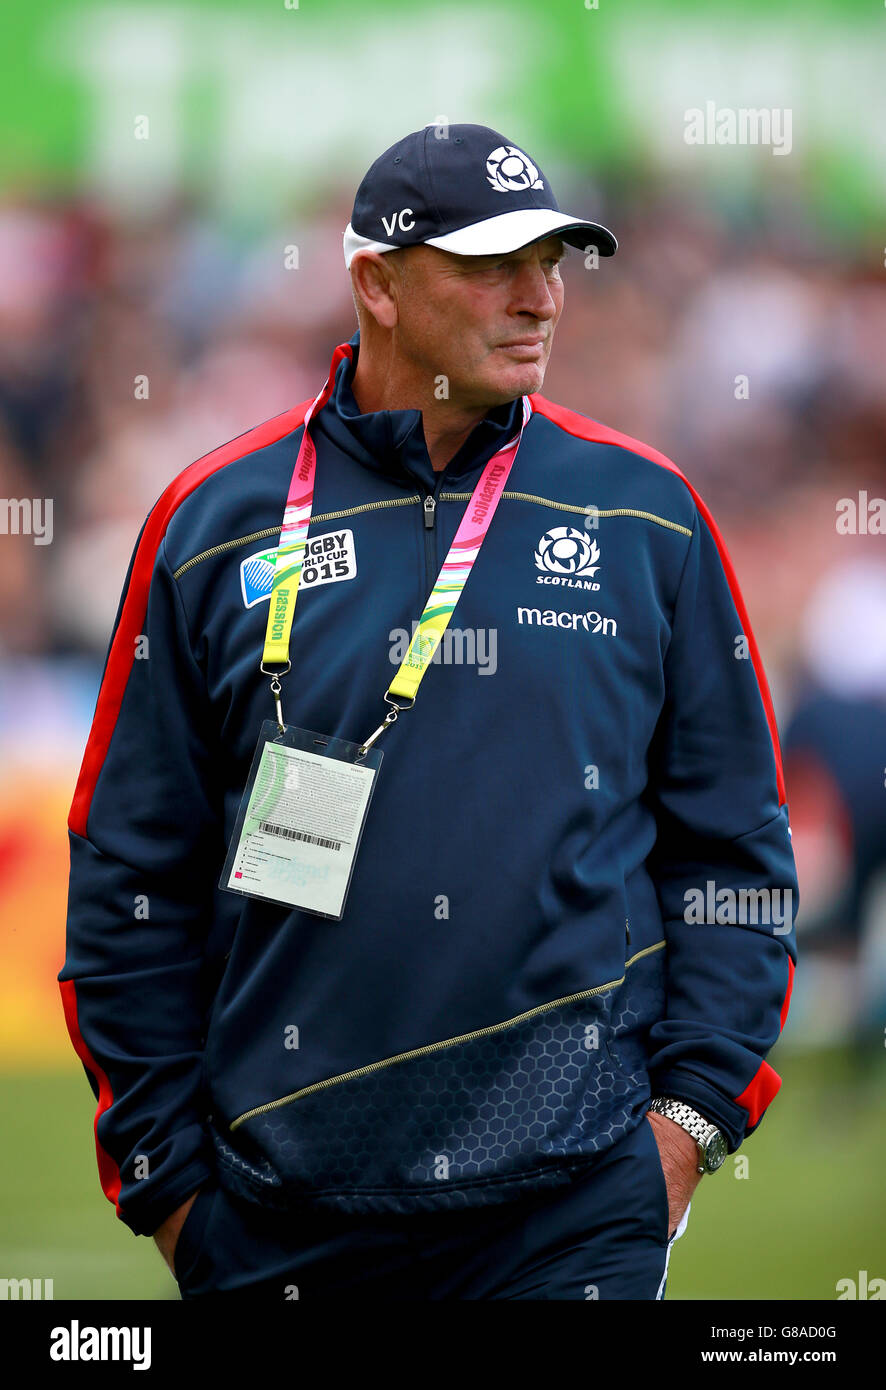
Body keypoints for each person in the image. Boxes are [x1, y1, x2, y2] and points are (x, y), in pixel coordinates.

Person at [59, 122, 798, 1301]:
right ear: (377, 285)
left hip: (574, 1209)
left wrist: (686, 1128)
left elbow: (737, 851)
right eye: (492, 266)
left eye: (553, 262)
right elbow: (127, 874)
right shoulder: (210, 523)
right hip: (274, 1218)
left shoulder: (646, 516)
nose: (540, 298)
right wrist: (177, 1195)